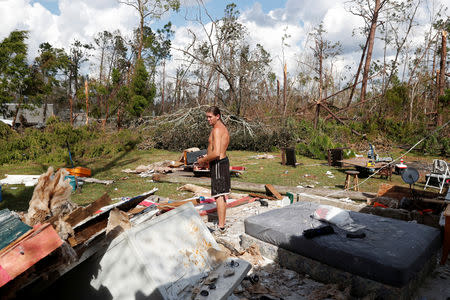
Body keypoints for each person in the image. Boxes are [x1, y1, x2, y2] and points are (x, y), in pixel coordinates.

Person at [197, 106, 230, 233]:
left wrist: (203, 160)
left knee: (219, 195)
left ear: (218, 116)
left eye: (210, 117)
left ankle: (221, 227)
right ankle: (222, 224)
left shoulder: (217, 130)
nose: (208, 119)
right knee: (221, 194)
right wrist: (206, 158)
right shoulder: (221, 128)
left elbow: (216, 153)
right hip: (221, 162)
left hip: (218, 163)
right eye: (207, 117)